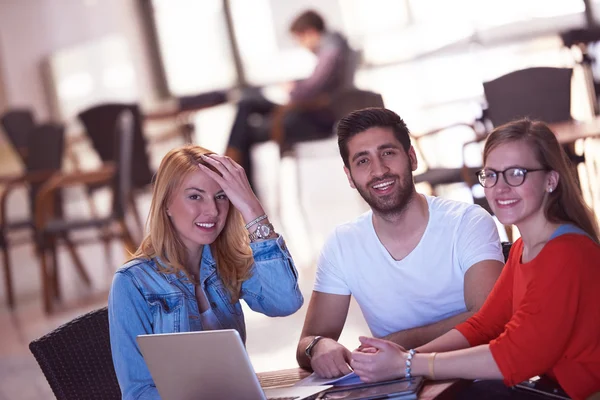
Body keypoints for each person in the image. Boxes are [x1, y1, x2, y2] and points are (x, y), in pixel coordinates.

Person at [350, 119, 600, 400]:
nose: (500, 188)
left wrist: (408, 364)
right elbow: (485, 325)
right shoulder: (522, 249)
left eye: (516, 173)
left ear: (550, 180)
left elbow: (514, 357)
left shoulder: (565, 253)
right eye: (491, 175)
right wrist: (406, 356)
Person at [296, 107, 505, 379]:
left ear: (412, 158)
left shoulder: (468, 222)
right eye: (362, 161)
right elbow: (306, 343)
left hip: (474, 379)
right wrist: (318, 346)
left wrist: (398, 344)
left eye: (388, 153)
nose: (379, 170)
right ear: (349, 176)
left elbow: (489, 320)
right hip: (397, 388)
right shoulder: (342, 243)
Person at [108, 145, 304, 399]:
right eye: (195, 196)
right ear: (166, 203)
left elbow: (285, 302)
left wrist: (253, 210)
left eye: (221, 196)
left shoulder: (227, 262)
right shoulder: (132, 283)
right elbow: (138, 392)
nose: (212, 210)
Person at [224, 9, 356, 190]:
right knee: (247, 100)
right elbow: (316, 86)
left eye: (300, 40)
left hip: (315, 118)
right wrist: (296, 86)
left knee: (246, 129)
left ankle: (234, 174)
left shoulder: (332, 50)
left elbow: (311, 90)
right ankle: (233, 165)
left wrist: (293, 89)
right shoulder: (334, 47)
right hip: (309, 111)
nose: (302, 46)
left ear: (310, 32)